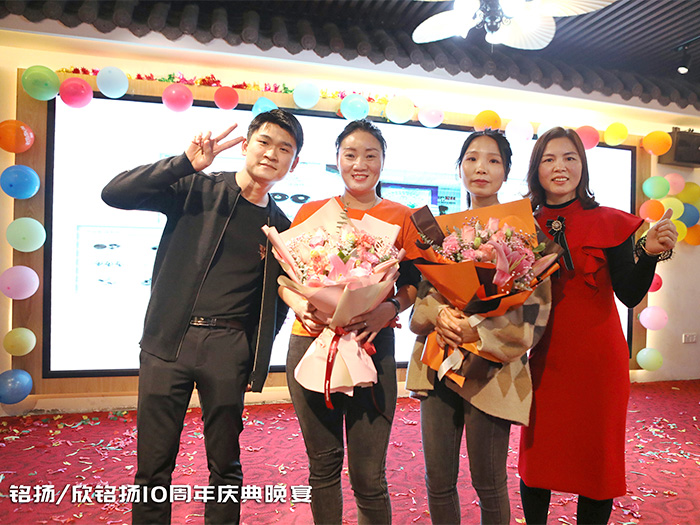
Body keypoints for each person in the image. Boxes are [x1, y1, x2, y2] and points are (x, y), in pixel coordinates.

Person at [101, 109, 304, 524]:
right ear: (245, 145)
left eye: (284, 149)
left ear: (294, 163)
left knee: (226, 465)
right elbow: (114, 193)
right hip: (168, 343)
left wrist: (252, 354)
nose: (272, 154)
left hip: (228, 349)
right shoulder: (197, 187)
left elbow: (277, 302)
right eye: (264, 142)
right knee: (153, 465)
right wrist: (182, 163)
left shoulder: (280, 227)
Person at [518, 127, 678, 524]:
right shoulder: (519, 225)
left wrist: (649, 254)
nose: (560, 167)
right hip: (545, 360)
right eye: (549, 159)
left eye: (570, 158)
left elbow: (629, 294)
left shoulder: (609, 221)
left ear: (582, 166)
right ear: (536, 169)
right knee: (537, 460)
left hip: (599, 364)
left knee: (596, 465)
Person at [406, 130, 552, 524]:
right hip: (439, 361)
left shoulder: (526, 233)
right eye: (471, 158)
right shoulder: (440, 232)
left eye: (492, 160)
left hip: (492, 371)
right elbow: (424, 295)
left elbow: (535, 311)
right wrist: (438, 315)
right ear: (460, 168)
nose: (480, 168)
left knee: (489, 483)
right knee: (438, 480)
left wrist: (479, 332)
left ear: (506, 171)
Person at [279, 119, 420, 524]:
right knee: (323, 466)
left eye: (370, 155)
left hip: (370, 346)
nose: (360, 164)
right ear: (337, 159)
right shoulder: (312, 212)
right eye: (350, 154)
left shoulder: (402, 217)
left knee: (368, 475)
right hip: (312, 343)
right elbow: (285, 277)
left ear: (383, 162)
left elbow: (414, 283)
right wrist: (299, 304)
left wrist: (389, 308)